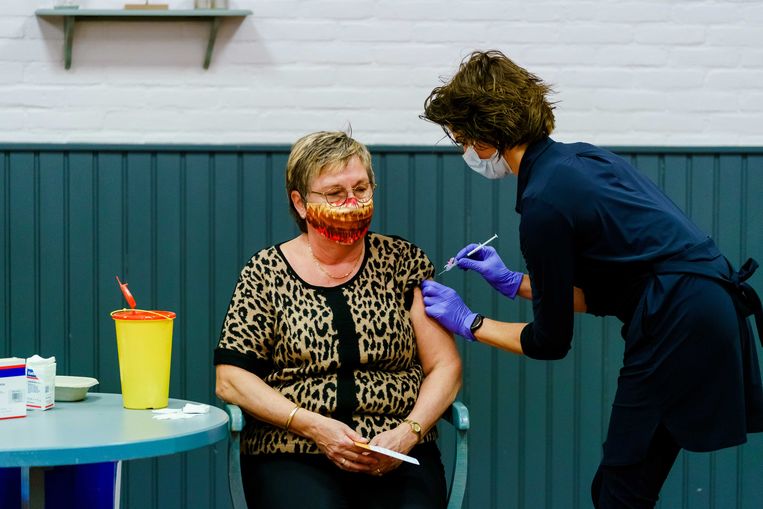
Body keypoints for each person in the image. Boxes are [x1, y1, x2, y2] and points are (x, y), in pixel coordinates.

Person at [419, 50, 763, 509]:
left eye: (461, 138)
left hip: (678, 320)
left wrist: (469, 321)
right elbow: (613, 291)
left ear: (485, 135)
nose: (466, 150)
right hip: (700, 306)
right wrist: (513, 282)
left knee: (619, 492)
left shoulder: (543, 203)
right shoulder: (578, 161)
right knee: (622, 489)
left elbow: (550, 341)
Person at [214, 130, 462, 509]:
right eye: (334, 193)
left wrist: (408, 433)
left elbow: (445, 365)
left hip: (396, 450)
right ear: (300, 203)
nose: (351, 203)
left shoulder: (402, 262)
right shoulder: (265, 272)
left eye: (361, 189)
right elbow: (230, 380)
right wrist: (312, 424)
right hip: (293, 448)